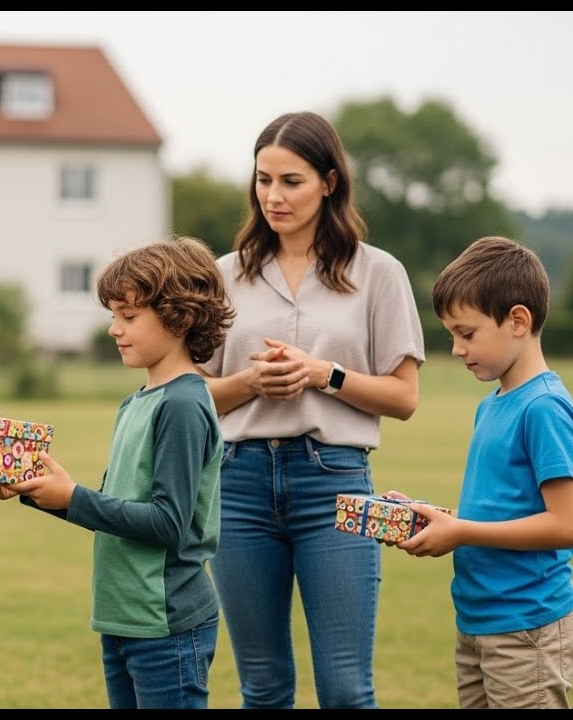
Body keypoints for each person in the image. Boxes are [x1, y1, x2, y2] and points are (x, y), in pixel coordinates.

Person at [195, 111, 426, 709]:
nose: (273, 196)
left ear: (329, 182)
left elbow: (403, 397)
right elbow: (192, 398)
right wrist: (250, 381)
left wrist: (324, 374)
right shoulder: (223, 276)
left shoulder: (379, 273)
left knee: (347, 691)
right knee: (264, 688)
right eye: (263, 179)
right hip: (238, 484)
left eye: (290, 181)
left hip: (335, 484)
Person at [0, 235, 235, 709]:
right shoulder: (138, 401)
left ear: (182, 317)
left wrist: (72, 496)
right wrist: (34, 490)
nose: (115, 329)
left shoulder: (182, 405)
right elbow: (115, 509)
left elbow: (167, 523)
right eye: (113, 315)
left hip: (165, 623)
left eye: (129, 317)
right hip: (123, 619)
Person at [385, 235, 573, 709]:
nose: (456, 349)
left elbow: (568, 525)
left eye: (467, 333)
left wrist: (461, 531)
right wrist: (435, 517)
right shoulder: (492, 404)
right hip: (478, 619)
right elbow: (501, 511)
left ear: (518, 321)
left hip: (527, 625)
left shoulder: (544, 408)